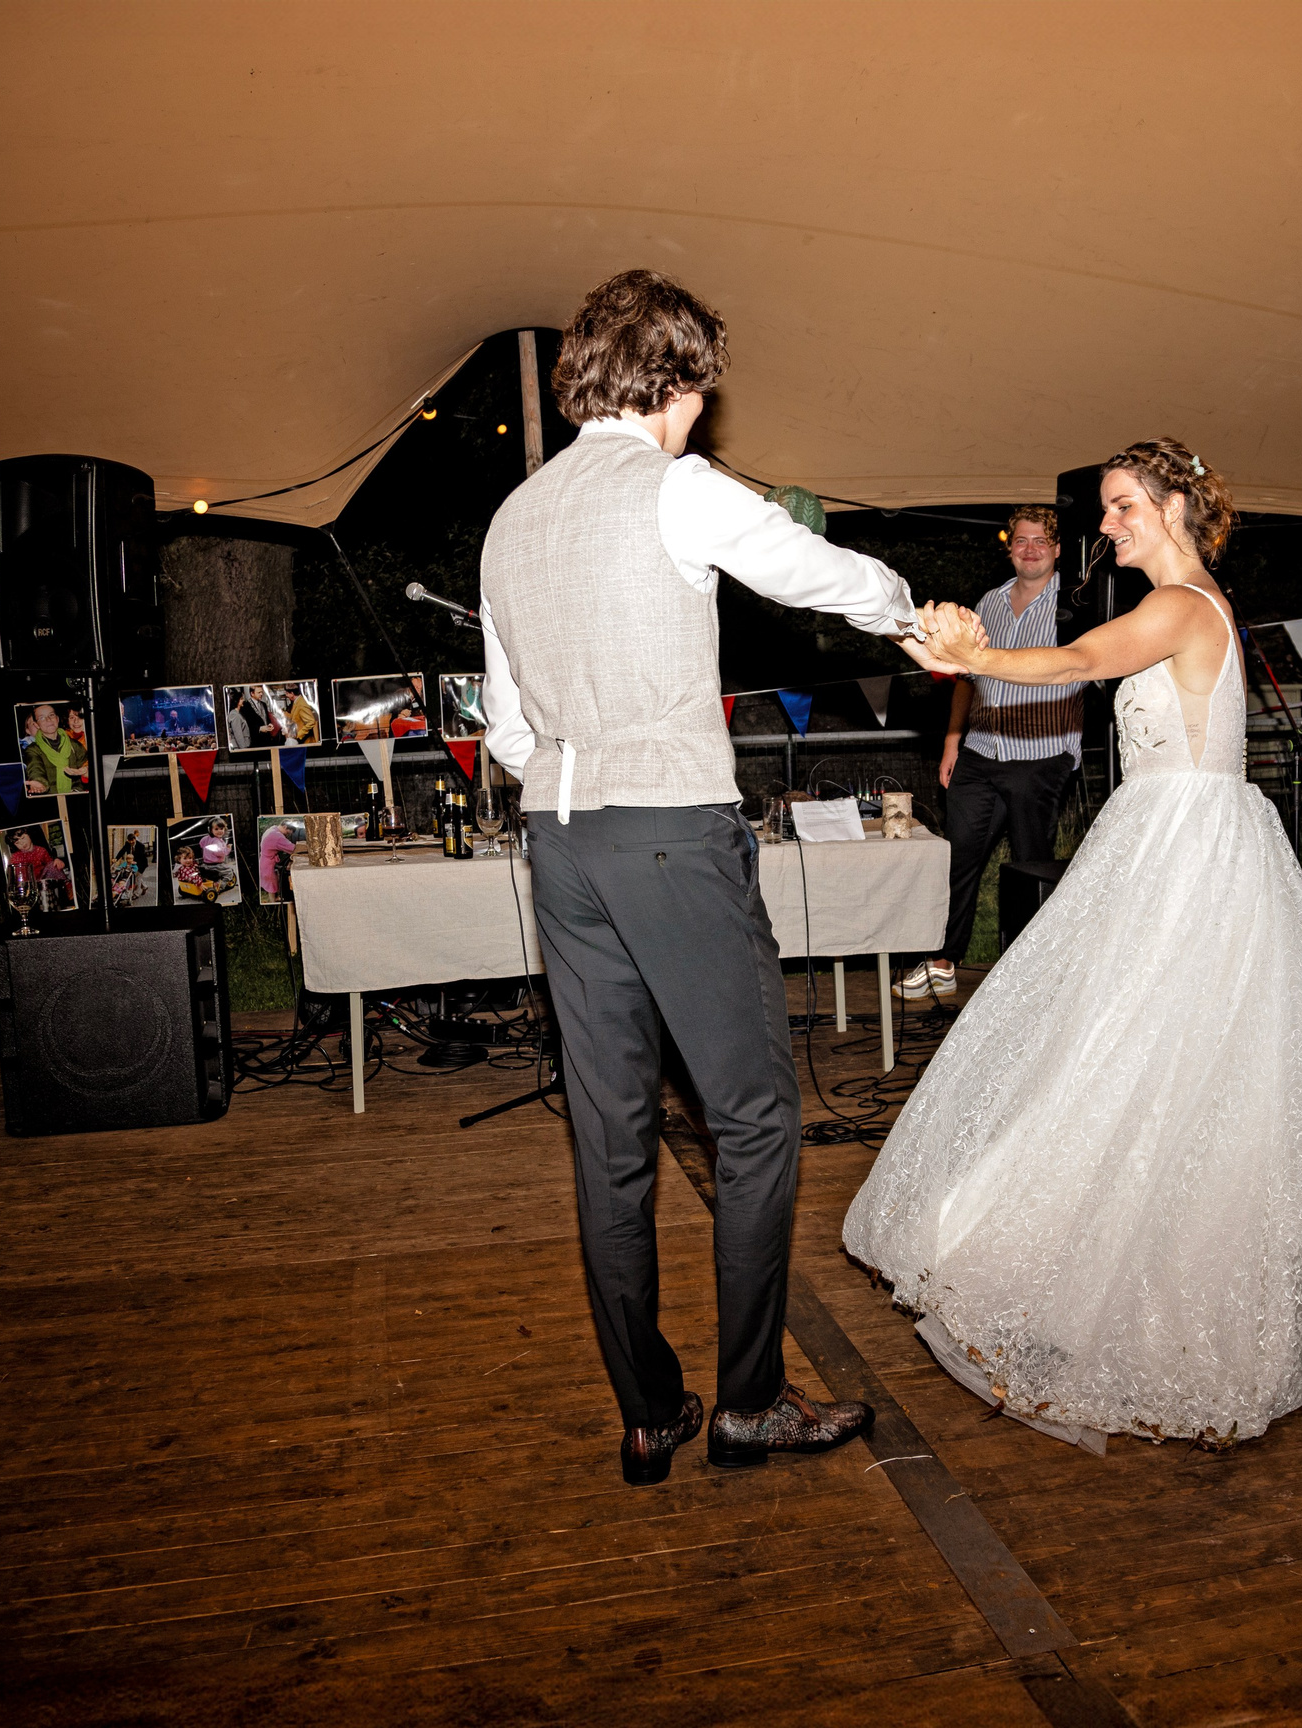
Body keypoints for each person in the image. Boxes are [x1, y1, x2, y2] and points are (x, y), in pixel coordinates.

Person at [479, 267, 981, 1487]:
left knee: (609, 1140)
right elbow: (814, 569)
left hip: (557, 836)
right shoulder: (674, 488)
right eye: (701, 386)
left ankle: (649, 1412)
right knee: (754, 1119)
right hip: (664, 833)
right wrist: (922, 619)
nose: (704, 410)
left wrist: (571, 769)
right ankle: (749, 1403)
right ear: (677, 378)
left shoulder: (514, 520)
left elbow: (503, 726)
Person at [843, 439, 1302, 1452]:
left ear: (1173, 506)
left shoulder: (1178, 604)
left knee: (1128, 1055)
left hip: (1182, 856)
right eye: (1106, 506)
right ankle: (1087, 1263)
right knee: (1131, 1055)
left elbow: (1079, 664)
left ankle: (1104, 1282)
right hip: (1173, 842)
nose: (1109, 522)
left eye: (1122, 504)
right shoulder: (1188, 602)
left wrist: (976, 657)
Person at [895, 503, 1088, 1001]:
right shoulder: (989, 601)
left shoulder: (1076, 605)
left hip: (1042, 751)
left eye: (1040, 541)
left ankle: (1034, 972)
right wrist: (952, 740)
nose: (1029, 550)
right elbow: (966, 677)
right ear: (1010, 547)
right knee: (958, 856)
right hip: (980, 750)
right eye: (1021, 541)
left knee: (1031, 862)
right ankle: (942, 959)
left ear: (1058, 549)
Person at [21, 703, 87, 796]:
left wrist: (86, 772)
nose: (48, 720)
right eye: (42, 718)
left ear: (57, 718)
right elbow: (35, 768)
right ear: (36, 725)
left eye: (51, 715)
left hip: (76, 798)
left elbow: (86, 766)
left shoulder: (75, 745)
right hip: (49, 800)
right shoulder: (33, 749)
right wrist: (39, 782)